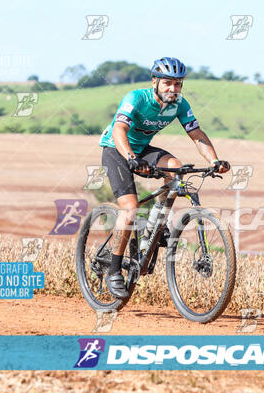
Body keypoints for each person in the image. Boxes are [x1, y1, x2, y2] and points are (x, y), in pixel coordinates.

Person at [98, 57, 231, 299]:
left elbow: (196, 134)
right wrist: (129, 157)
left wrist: (214, 161)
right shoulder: (136, 98)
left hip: (141, 151)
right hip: (117, 150)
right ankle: (114, 270)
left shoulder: (179, 104)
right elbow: (119, 130)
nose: (173, 89)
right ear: (155, 82)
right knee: (129, 210)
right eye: (168, 83)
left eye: (178, 84)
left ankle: (156, 224)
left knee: (176, 170)